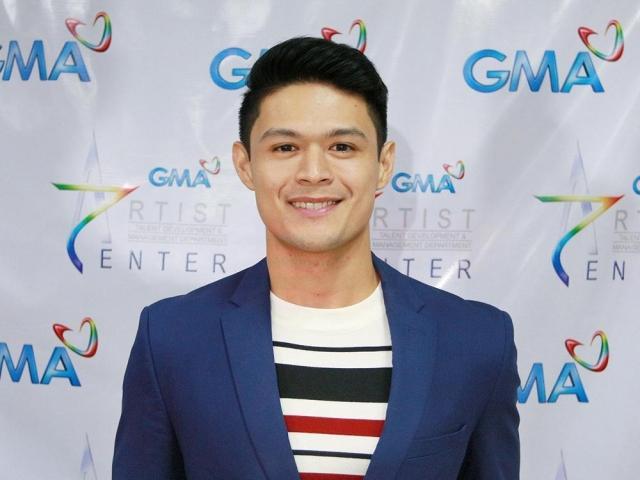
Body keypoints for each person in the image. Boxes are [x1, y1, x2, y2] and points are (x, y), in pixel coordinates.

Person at [113, 36, 520, 480]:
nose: (313, 173)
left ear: (383, 165)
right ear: (245, 164)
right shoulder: (172, 338)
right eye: (285, 148)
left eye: (342, 147)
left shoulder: (477, 341)